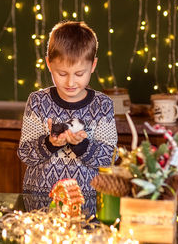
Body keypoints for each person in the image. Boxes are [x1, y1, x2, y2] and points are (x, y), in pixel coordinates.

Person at [17, 21, 117, 217]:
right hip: (40, 202)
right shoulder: (38, 101)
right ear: (48, 64)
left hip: (88, 203)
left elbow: (110, 158)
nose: (71, 82)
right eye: (62, 73)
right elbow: (25, 154)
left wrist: (81, 145)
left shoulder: (103, 105)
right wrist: (50, 143)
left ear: (93, 65)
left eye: (79, 74)